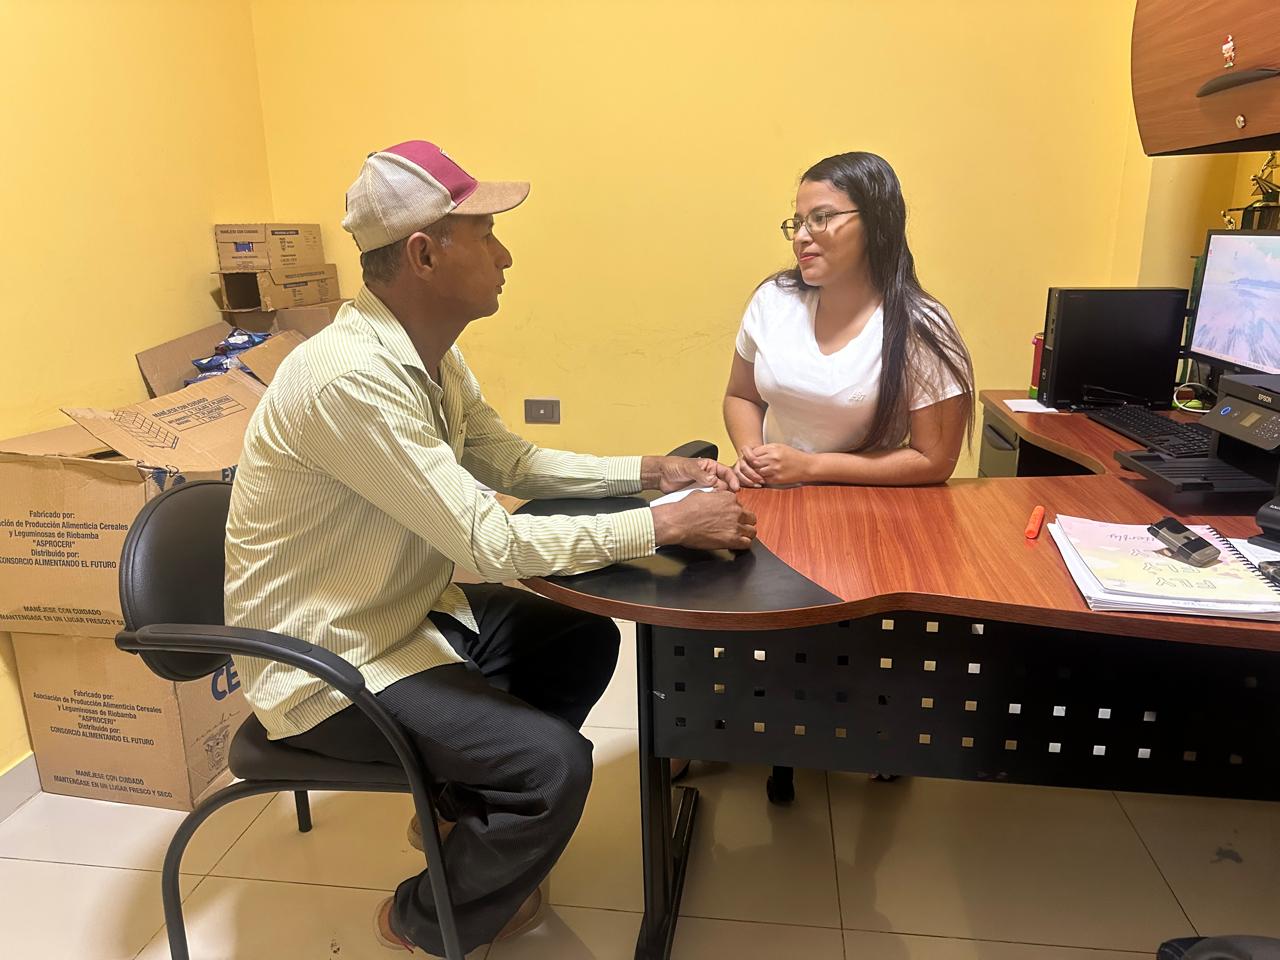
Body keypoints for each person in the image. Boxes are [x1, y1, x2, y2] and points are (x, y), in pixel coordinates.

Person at [223, 140, 757, 957]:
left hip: (401, 614)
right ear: (424, 254)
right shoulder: (349, 380)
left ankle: (460, 809)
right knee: (553, 769)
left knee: (578, 636)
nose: (505, 256)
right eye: (486, 235)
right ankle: (420, 918)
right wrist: (668, 524)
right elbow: (491, 540)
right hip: (330, 662)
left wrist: (653, 473)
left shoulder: (426, 353)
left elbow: (509, 461)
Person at [723, 151, 974, 488]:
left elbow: (934, 459)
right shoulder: (773, 300)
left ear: (875, 223)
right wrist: (752, 456)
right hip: (774, 498)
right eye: (798, 222)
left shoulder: (920, 325)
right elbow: (741, 396)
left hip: (867, 505)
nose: (801, 237)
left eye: (821, 218)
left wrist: (812, 467)